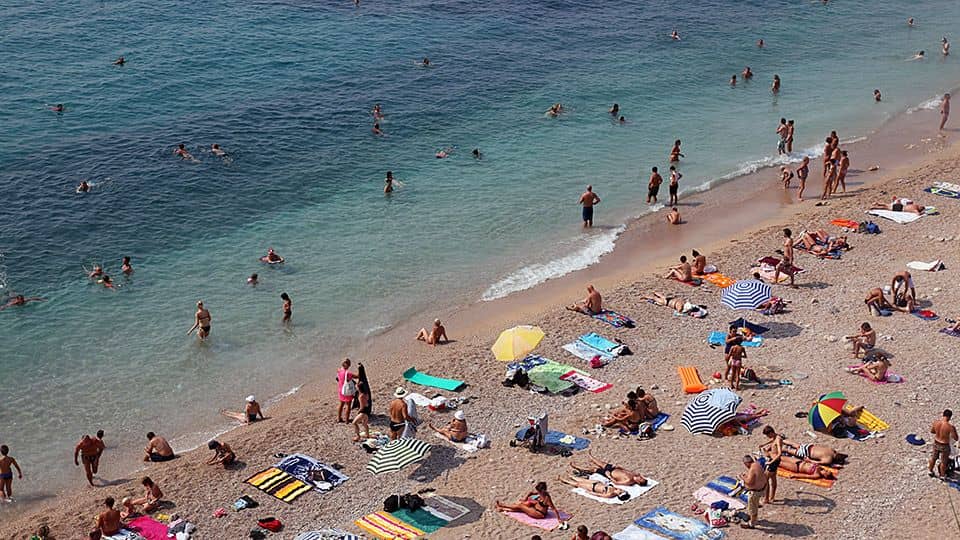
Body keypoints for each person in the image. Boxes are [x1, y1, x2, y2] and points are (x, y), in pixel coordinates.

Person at [569, 451, 648, 486]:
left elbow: (616, 483)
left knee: (593, 469)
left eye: (641, 479)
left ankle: (577, 467)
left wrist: (609, 476)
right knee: (602, 463)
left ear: (638, 482)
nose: (640, 477)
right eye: (642, 478)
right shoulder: (635, 475)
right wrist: (620, 467)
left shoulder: (629, 481)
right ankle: (591, 457)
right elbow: (626, 471)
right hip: (614, 469)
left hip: (609, 474)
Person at [495, 481, 561, 519]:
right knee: (521, 508)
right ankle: (503, 509)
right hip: (535, 509)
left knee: (521, 506)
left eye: (539, 491)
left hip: (539, 514)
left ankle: (502, 505)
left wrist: (559, 519)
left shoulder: (547, 499)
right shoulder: (541, 493)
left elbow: (554, 509)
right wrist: (525, 499)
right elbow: (531, 493)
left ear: (543, 490)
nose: (538, 492)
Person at [738, 455, 766, 529]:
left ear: (746, 463)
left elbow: (749, 482)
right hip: (762, 489)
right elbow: (755, 477)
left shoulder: (752, 469)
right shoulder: (757, 464)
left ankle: (752, 524)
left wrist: (742, 477)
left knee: (752, 508)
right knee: (754, 505)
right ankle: (754, 518)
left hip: (755, 492)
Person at [929, 409, 958, 478]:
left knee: (933, 458)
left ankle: (930, 471)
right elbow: (956, 438)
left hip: (936, 442)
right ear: (950, 417)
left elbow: (932, 431)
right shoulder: (950, 427)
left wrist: (939, 433)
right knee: (943, 461)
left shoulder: (936, 423)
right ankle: (942, 475)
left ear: (943, 415)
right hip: (944, 445)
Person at [557, 474, 629, 500]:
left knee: (578, 484)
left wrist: (590, 493)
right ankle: (570, 476)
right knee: (583, 480)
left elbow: (600, 495)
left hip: (593, 488)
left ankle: (565, 480)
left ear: (619, 494)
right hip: (597, 483)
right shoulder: (616, 489)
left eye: (621, 491)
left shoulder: (611, 494)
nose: (622, 490)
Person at [759, 426, 783, 503]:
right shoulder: (775, 437)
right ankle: (772, 497)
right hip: (773, 460)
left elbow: (779, 453)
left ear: (771, 433)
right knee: (773, 478)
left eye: (768, 435)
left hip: (774, 461)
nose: (768, 437)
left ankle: (766, 499)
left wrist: (770, 462)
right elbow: (772, 440)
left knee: (765, 479)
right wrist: (763, 444)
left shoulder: (778, 439)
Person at [779, 440, 847, 466]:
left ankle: (781, 440)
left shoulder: (832, 450)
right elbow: (817, 463)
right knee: (787, 450)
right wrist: (810, 460)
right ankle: (774, 448)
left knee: (793, 443)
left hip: (809, 446)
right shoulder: (828, 460)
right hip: (807, 453)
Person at [352, 363, 372, 442]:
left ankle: (358, 436)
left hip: (363, 411)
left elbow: (362, 406)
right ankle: (367, 435)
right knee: (364, 424)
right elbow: (366, 403)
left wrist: (359, 411)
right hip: (367, 410)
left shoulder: (361, 396)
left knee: (354, 423)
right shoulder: (366, 394)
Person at [336, 358, 355, 423]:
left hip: (341, 390)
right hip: (347, 391)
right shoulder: (348, 374)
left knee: (341, 404)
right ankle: (347, 419)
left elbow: (338, 378)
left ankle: (339, 418)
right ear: (348, 365)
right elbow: (357, 376)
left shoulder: (339, 371)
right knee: (348, 405)